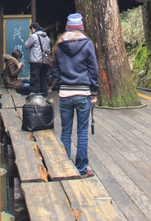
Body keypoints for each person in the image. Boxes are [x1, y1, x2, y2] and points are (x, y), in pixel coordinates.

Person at [52, 13, 99, 178]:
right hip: (83, 93)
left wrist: (59, 85)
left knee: (65, 131)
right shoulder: (87, 44)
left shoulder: (59, 45)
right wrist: (94, 91)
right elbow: (93, 69)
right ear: (81, 27)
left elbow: (55, 69)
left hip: (65, 93)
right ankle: (81, 168)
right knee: (82, 131)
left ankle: (65, 168)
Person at [24, 22, 51, 97]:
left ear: (33, 29)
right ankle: (44, 96)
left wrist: (30, 37)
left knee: (35, 79)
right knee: (43, 79)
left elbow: (26, 45)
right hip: (44, 61)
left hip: (35, 61)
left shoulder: (34, 36)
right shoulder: (47, 37)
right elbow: (48, 50)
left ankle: (35, 97)